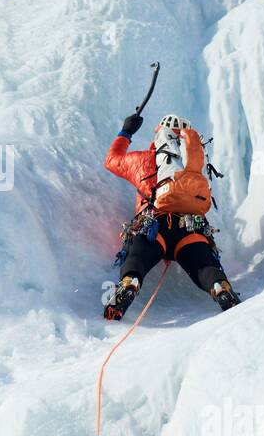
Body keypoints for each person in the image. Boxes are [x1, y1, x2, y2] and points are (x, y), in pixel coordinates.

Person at [102, 112, 240, 319]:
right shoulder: (194, 164)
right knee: (203, 264)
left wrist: (126, 131)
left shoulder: (143, 160)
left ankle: (130, 281)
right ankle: (219, 286)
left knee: (138, 255)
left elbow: (112, 161)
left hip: (154, 224)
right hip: (191, 228)